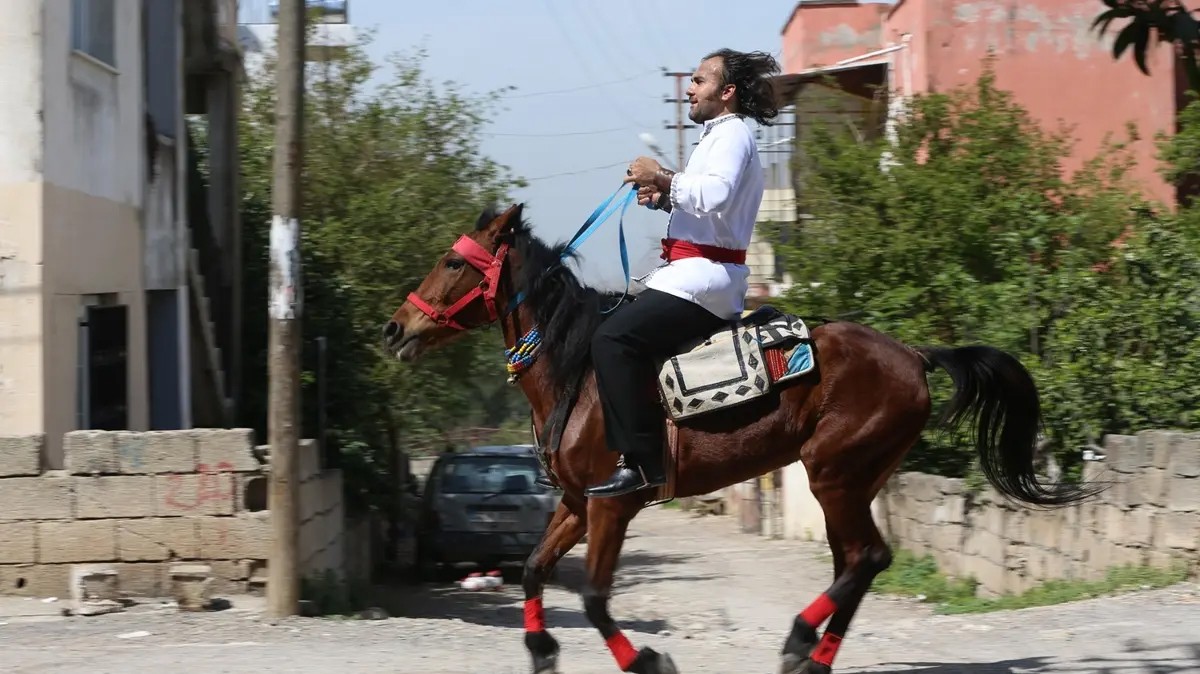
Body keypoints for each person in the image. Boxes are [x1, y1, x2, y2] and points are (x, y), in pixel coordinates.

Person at [585, 48, 781, 499]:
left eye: (698, 81)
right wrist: (664, 197)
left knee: (611, 340)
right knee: (600, 323)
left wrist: (662, 175)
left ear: (726, 92)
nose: (689, 90)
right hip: (690, 272)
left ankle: (643, 462)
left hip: (705, 278)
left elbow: (713, 196)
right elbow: (712, 210)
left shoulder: (732, 135)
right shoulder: (718, 135)